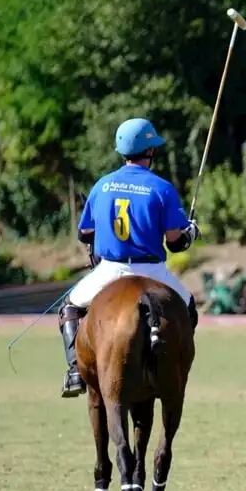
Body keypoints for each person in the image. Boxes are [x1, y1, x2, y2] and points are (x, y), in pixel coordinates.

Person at [59, 118, 201, 398]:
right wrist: (191, 232)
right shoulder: (162, 188)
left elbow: (85, 232)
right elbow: (175, 242)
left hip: (110, 269)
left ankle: (76, 371)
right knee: (188, 308)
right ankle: (177, 364)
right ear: (150, 152)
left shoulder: (102, 185)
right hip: (152, 270)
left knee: (70, 307)